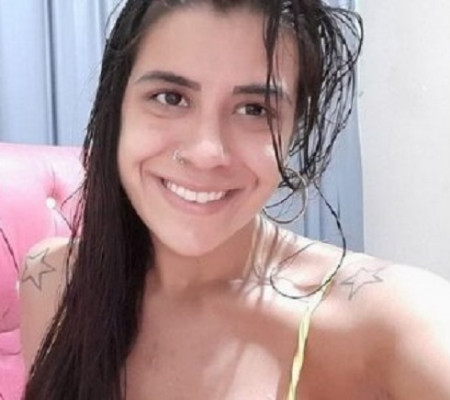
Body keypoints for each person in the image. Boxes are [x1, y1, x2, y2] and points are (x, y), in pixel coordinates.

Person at [19, 0, 450, 399]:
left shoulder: (387, 326)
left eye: (254, 109)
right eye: (171, 98)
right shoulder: (55, 282)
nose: (207, 151)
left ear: (294, 128)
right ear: (117, 106)